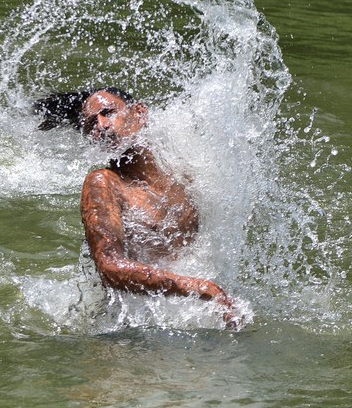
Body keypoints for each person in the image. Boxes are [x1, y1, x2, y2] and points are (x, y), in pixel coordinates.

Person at [35, 87, 238, 328]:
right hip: (125, 328)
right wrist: (203, 289)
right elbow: (109, 267)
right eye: (90, 125)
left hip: (187, 314)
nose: (101, 126)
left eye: (108, 113)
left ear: (140, 113)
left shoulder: (185, 170)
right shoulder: (103, 183)